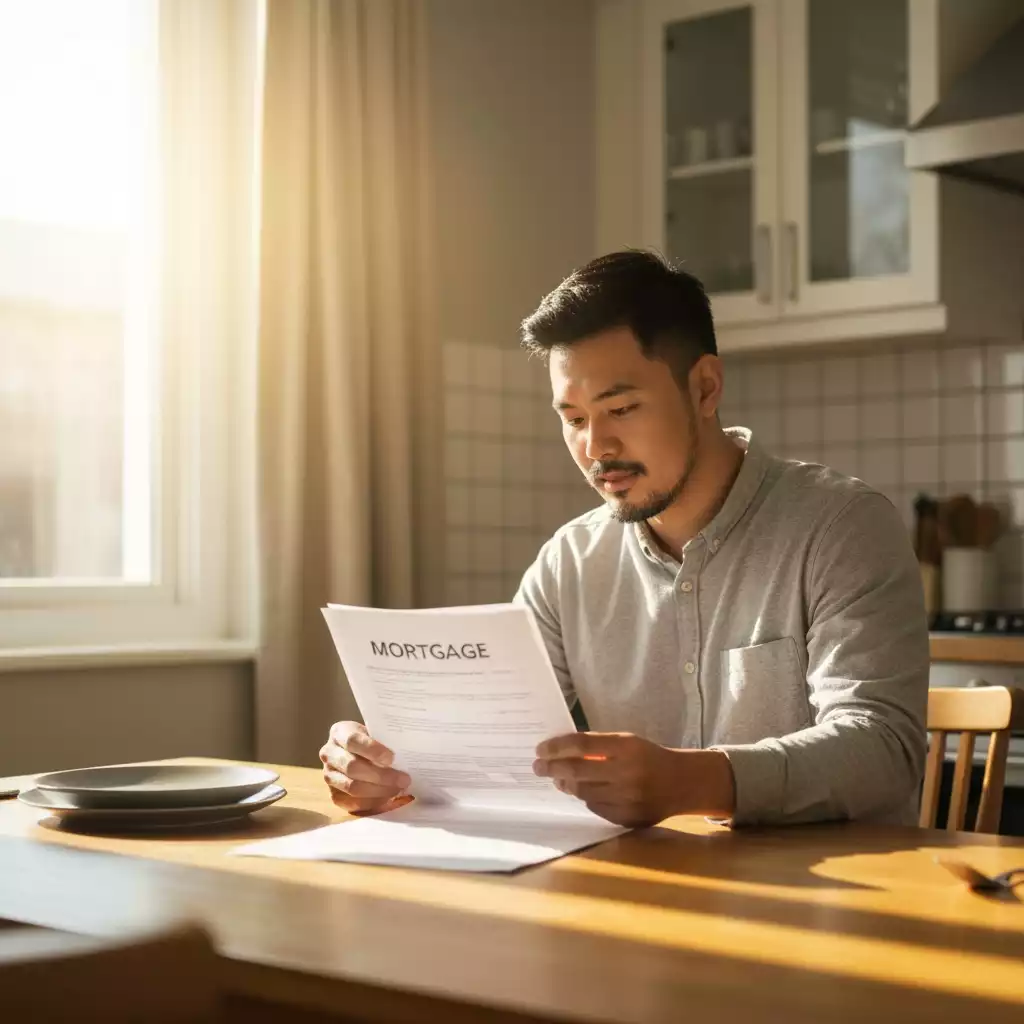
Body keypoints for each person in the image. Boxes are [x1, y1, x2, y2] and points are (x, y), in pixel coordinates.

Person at [320, 250, 929, 828]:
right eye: (574, 419)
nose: (596, 448)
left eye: (623, 408)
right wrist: (389, 769)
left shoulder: (840, 526)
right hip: (642, 895)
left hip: (832, 906)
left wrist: (694, 781)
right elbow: (494, 744)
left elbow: (883, 748)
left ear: (705, 388)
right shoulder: (568, 564)